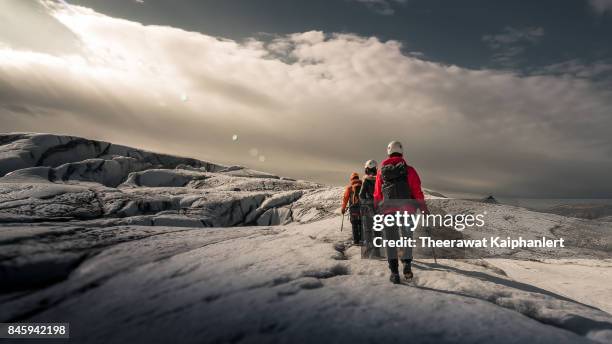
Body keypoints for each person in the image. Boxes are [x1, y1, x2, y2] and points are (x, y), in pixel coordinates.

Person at [374, 141, 428, 284]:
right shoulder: (410, 170)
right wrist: (424, 209)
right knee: (407, 237)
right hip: (407, 211)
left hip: (388, 212)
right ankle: (407, 264)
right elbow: (417, 192)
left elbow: (377, 195)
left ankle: (394, 273)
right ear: (402, 153)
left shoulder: (381, 172)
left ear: (389, 153)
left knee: (391, 241)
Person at [359, 160, 382, 259]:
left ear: (366, 169)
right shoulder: (380, 180)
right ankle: (377, 252)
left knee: (368, 231)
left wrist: (365, 203)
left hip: (368, 208)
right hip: (379, 208)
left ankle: (368, 252)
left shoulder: (366, 181)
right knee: (378, 230)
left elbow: (361, 195)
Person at [341, 172, 363, 245]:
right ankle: (362, 239)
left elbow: (345, 199)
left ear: (351, 179)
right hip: (362, 208)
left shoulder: (349, 188)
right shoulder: (363, 185)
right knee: (361, 223)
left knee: (354, 224)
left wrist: (343, 208)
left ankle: (356, 241)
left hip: (353, 208)